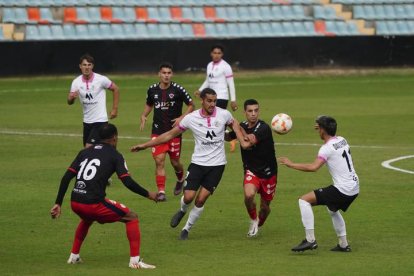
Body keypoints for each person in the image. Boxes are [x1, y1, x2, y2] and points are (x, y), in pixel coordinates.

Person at [131, 88, 243, 240]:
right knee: (189, 197)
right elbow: (169, 135)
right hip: (198, 163)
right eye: (209, 101)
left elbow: (234, 130)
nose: (212, 104)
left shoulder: (224, 114)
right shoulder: (191, 118)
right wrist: (145, 145)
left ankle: (186, 229)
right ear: (202, 100)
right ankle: (182, 210)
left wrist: (243, 136)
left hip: (217, 165)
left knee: (201, 199)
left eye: (214, 101)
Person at [50, 124, 157, 269]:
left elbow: (66, 178)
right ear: (114, 138)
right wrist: (148, 194)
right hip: (93, 204)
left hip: (75, 202)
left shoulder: (84, 152)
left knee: (87, 219)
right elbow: (127, 181)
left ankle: (73, 256)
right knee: (131, 217)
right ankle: (135, 261)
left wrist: (58, 203)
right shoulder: (115, 155)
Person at [278, 116, 359, 252]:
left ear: (322, 130)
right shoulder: (342, 140)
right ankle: (343, 244)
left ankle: (310, 240)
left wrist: (291, 164)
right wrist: (324, 127)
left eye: (319, 128)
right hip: (354, 187)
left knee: (304, 200)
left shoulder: (326, 149)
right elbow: (329, 129)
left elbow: (313, 167)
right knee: (332, 209)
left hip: (343, 190)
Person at [140, 62, 194, 201]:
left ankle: (181, 177)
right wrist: (144, 115)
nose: (166, 75)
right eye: (164, 73)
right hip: (157, 132)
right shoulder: (152, 90)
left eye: (169, 73)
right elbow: (149, 104)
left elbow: (191, 105)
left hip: (174, 132)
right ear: (159, 74)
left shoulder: (178, 89)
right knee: (159, 161)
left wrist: (181, 118)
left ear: (172, 74)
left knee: (175, 162)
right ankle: (161, 191)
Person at [225, 99, 278, 237]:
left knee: (265, 208)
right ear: (245, 112)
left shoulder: (263, 128)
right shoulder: (242, 125)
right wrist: (219, 125)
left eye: (256, 110)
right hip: (251, 170)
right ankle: (254, 220)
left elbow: (246, 143)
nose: (253, 114)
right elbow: (228, 137)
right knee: (248, 196)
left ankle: (260, 222)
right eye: (250, 111)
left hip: (268, 173)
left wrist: (236, 128)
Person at [67, 54, 120, 148]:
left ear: (92, 66)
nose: (87, 67)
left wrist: (115, 109)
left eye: (89, 65)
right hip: (87, 122)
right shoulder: (76, 82)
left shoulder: (101, 79)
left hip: (100, 121)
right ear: (80, 66)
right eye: (84, 65)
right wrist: (71, 98)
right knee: (94, 149)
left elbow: (115, 89)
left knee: (89, 147)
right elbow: (69, 101)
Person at [194, 44, 238, 152]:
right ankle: (230, 137)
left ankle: (221, 142)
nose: (216, 55)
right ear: (211, 53)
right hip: (210, 97)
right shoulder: (209, 65)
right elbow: (208, 80)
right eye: (215, 53)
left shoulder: (226, 66)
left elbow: (231, 83)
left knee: (216, 121)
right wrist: (200, 90)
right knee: (213, 122)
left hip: (222, 97)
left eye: (219, 53)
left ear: (222, 54)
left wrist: (233, 100)